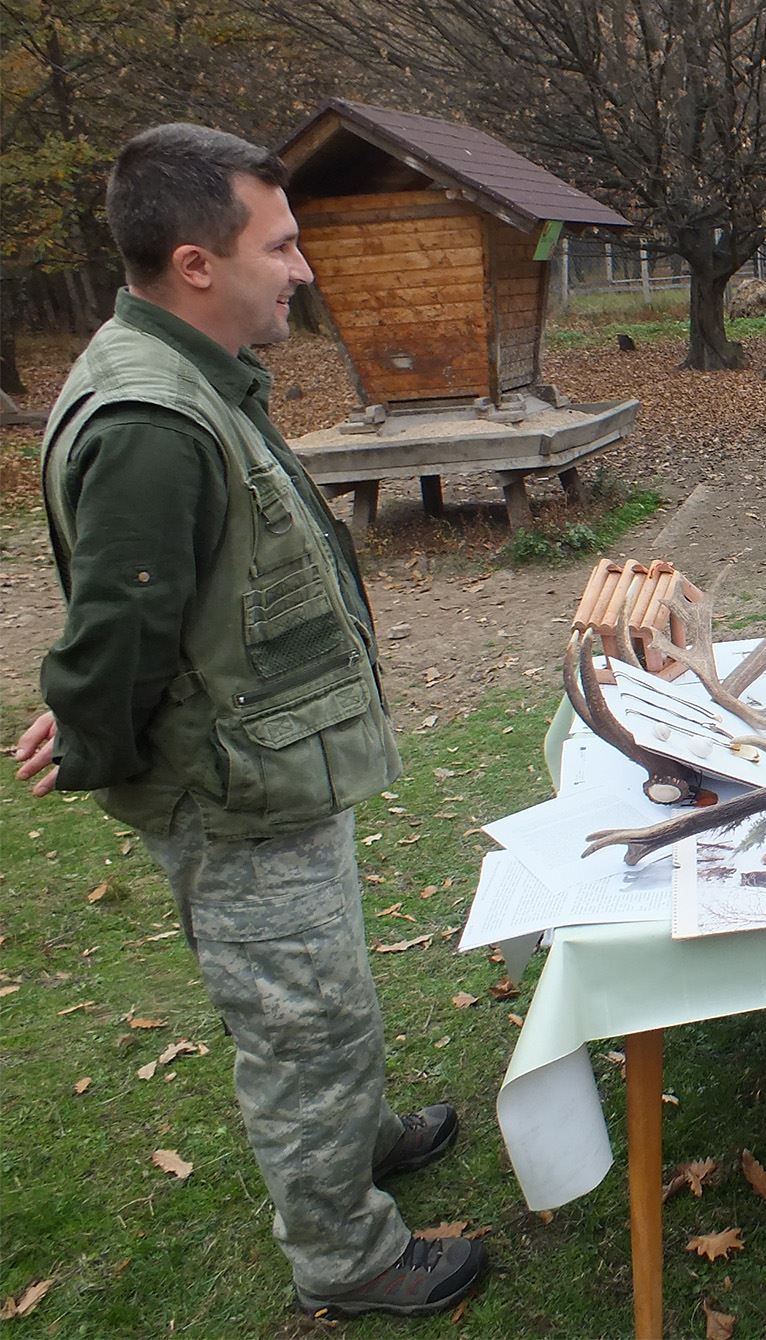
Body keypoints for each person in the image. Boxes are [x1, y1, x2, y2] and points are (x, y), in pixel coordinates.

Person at [11, 124, 486, 1319]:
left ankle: (358, 1139)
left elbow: (161, 594)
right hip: (231, 793)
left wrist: (84, 710)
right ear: (196, 262)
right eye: (280, 244)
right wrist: (91, 729)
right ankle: (347, 1252)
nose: (304, 269)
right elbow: (120, 627)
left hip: (270, 765)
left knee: (328, 991)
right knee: (302, 1024)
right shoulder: (151, 421)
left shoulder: (195, 379)